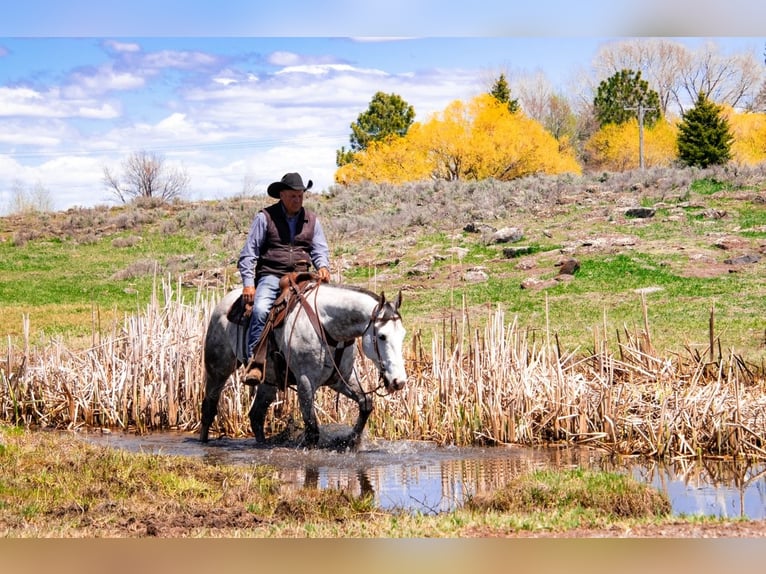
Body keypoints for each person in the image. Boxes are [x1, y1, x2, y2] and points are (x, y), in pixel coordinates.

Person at [238, 172, 331, 385]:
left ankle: (323, 361)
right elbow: (249, 253)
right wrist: (248, 284)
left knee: (323, 310)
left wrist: (323, 266)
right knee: (261, 309)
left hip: (302, 276)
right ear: (281, 195)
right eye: (293, 196)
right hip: (271, 274)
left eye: (300, 196)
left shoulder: (312, 220)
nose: (297, 200)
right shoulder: (265, 217)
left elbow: (319, 250)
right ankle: (256, 363)